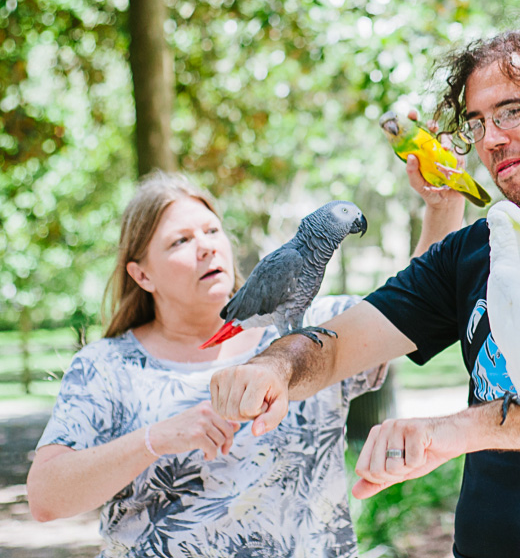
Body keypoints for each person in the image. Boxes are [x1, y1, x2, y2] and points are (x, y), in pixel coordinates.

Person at [210, 29, 520, 558]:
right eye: (478, 123)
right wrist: (274, 368)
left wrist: (456, 432)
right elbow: (337, 344)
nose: (491, 139)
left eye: (511, 112)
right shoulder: (474, 249)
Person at [26, 173, 402, 557]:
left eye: (212, 230)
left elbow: (420, 304)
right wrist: (153, 439)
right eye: (181, 240)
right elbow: (45, 498)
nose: (206, 247)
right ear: (142, 274)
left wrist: (441, 206)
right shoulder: (105, 367)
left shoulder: (319, 327)